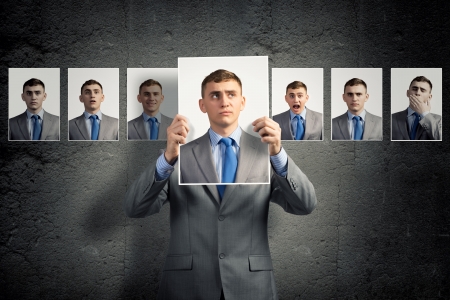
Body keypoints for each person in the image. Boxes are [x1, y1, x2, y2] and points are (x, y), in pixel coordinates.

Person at [124, 69, 317, 300]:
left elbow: (305, 205)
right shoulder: (177, 156)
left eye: (231, 94)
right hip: (187, 286)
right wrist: (166, 159)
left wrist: (278, 154)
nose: (224, 101)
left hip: (251, 285)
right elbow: (134, 208)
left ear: (242, 102)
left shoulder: (266, 156)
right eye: (215, 95)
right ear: (202, 104)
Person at [391, 76, 442, 140]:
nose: (418, 93)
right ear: (408, 93)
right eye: (414, 89)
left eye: (423, 90)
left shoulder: (439, 120)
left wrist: (425, 114)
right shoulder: (391, 118)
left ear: (429, 97)